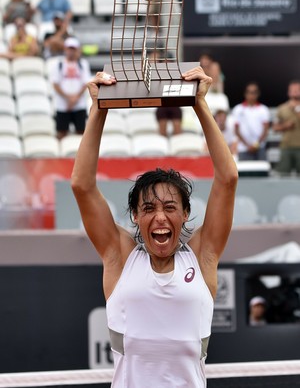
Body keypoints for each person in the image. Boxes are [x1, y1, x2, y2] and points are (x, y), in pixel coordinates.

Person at [71, 66, 238, 388]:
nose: (160, 217)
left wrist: (200, 104)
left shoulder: (203, 257)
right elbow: (81, 185)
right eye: (148, 208)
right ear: (134, 216)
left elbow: (228, 179)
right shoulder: (119, 257)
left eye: (170, 208)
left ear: (186, 214)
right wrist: (99, 109)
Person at [48, 37, 91, 140]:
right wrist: (69, 98)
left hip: (79, 104)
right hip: (63, 104)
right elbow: (55, 84)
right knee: (62, 132)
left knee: (81, 131)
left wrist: (75, 98)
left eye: (73, 49)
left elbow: (86, 83)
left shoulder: (83, 64)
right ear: (65, 49)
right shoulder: (59, 64)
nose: (71, 52)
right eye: (69, 49)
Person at [232, 82, 271, 161]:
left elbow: (266, 130)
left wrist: (256, 145)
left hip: (260, 148)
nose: (251, 95)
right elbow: (236, 130)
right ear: (245, 94)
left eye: (254, 93)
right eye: (249, 92)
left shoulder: (263, 110)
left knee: (261, 172)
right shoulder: (238, 109)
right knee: (244, 172)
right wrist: (247, 145)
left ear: (258, 94)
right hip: (243, 148)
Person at [272, 80, 300, 175]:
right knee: (283, 174)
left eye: (298, 90)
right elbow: (275, 128)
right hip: (286, 146)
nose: (295, 92)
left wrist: (295, 109)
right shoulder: (282, 108)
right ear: (289, 92)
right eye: (293, 90)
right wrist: (285, 126)